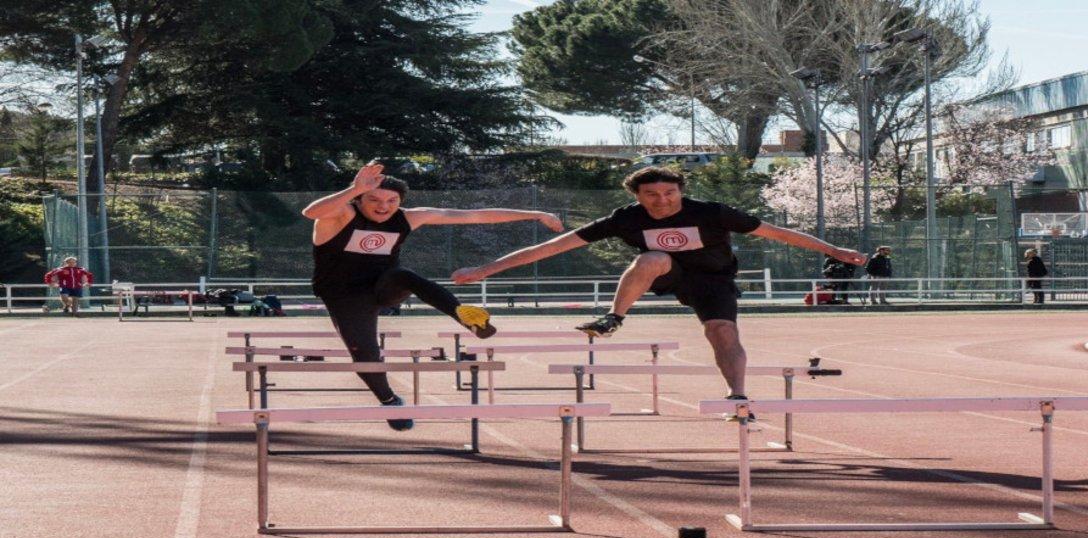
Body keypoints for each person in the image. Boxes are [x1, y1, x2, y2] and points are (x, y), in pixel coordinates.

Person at [451, 166, 865, 414]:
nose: (663, 201)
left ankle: (736, 397)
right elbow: (554, 246)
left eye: (670, 193)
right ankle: (614, 317)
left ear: (681, 192)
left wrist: (833, 250)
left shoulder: (712, 212)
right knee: (652, 259)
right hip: (667, 273)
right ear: (637, 196)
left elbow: (777, 233)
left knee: (722, 332)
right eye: (653, 195)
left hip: (714, 280)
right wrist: (486, 270)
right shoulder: (626, 218)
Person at [302, 161, 563, 431]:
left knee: (403, 275)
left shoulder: (409, 217)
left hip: (383, 286)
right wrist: (352, 188)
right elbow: (311, 212)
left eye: (392, 200)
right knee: (366, 356)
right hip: (345, 296)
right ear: (359, 199)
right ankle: (390, 401)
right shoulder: (341, 214)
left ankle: (463, 314)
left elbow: (472, 216)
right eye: (374, 199)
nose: (383, 206)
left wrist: (534, 213)